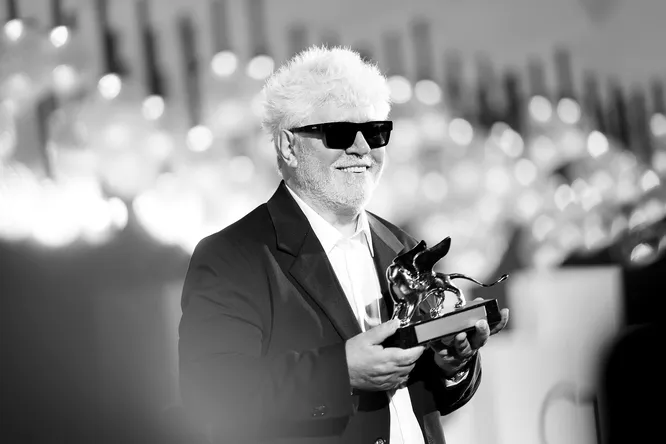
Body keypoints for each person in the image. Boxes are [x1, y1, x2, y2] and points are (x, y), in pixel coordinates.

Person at [178, 45, 509, 444]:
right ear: (288, 146)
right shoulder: (233, 256)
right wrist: (341, 373)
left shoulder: (401, 245)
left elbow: (427, 399)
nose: (362, 148)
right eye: (339, 133)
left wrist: (453, 364)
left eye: (375, 132)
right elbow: (211, 397)